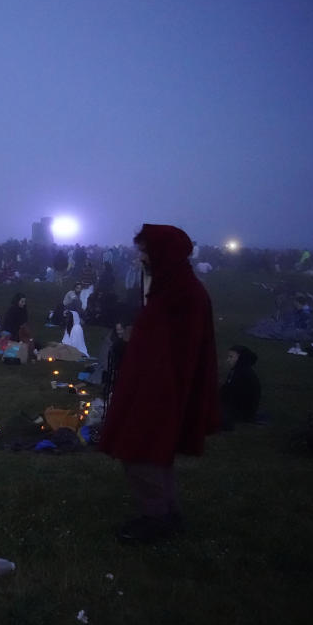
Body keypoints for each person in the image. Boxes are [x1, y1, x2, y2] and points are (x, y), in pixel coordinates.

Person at [100, 224, 219, 544]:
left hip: (160, 390)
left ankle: (157, 519)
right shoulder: (170, 286)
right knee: (153, 452)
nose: (140, 257)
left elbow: (176, 350)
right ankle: (167, 514)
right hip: (151, 383)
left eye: (145, 251)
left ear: (162, 253)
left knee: (141, 451)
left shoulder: (183, 293)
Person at [220, 345, 261, 430]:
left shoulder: (243, 374)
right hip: (236, 406)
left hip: (242, 411)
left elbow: (231, 395)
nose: (228, 360)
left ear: (241, 358)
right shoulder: (237, 370)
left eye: (231, 357)